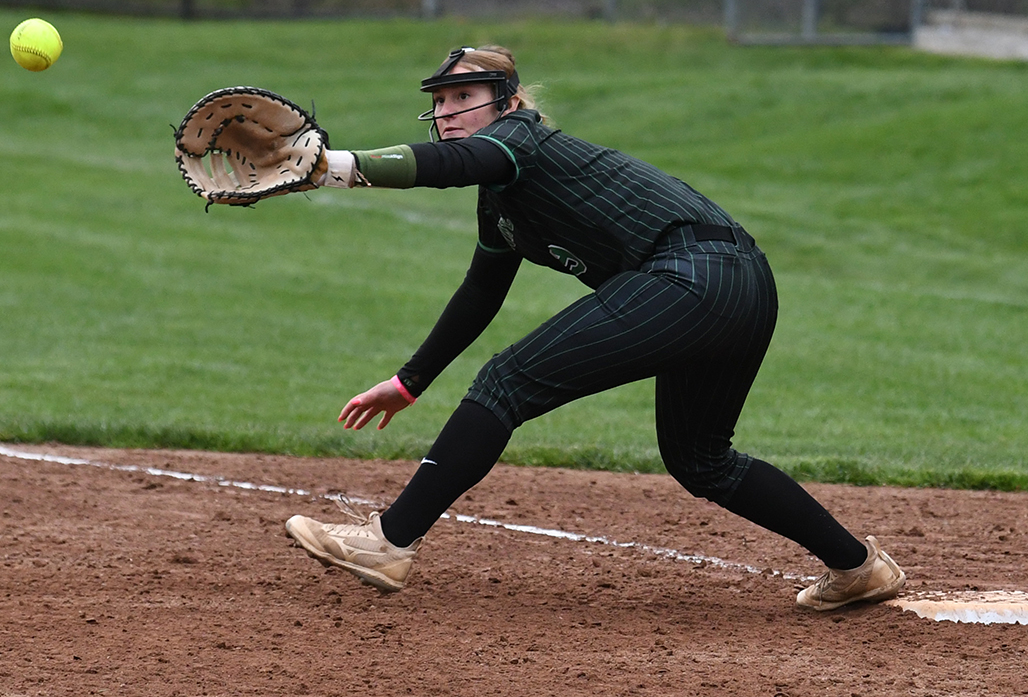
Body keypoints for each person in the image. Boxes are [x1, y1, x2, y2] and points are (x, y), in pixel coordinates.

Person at [284, 45, 905, 611]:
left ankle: (387, 541)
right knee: (700, 460)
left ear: (510, 102)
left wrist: (337, 166)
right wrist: (410, 380)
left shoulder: (518, 142)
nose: (448, 112)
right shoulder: (501, 198)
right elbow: (480, 293)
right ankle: (858, 568)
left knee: (506, 381)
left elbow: (458, 161)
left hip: (694, 273)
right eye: (440, 101)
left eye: (464, 97)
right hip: (741, 284)